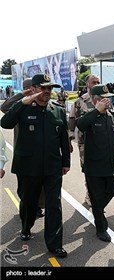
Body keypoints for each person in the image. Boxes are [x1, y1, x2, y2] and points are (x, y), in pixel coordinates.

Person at [1, 73, 70, 258]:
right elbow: (5, 123)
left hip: (52, 166)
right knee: (28, 201)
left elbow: (64, 138)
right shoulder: (23, 108)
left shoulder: (58, 110)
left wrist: (66, 162)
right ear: (34, 89)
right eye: (43, 87)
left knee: (54, 205)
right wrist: (21, 102)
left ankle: (55, 244)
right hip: (27, 167)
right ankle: (26, 227)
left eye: (50, 88)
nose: (47, 91)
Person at [76, 84, 114, 242]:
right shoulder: (89, 115)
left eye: (108, 98)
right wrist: (97, 110)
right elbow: (80, 125)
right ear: (96, 100)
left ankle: (98, 210)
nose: (108, 100)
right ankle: (101, 228)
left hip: (110, 164)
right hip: (94, 166)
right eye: (104, 98)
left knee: (112, 190)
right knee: (96, 197)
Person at [1, 78, 45, 218]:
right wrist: (21, 96)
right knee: (25, 184)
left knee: (41, 182)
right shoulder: (19, 105)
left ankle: (37, 206)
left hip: (41, 149)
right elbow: (4, 107)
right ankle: (26, 206)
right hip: (24, 150)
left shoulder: (41, 102)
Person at [68, 74, 100, 206]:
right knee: (88, 169)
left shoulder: (104, 100)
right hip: (85, 142)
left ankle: (97, 193)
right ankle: (90, 194)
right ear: (87, 84)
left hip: (101, 142)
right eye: (94, 82)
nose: (96, 84)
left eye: (98, 82)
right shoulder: (80, 102)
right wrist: (69, 139)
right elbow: (71, 120)